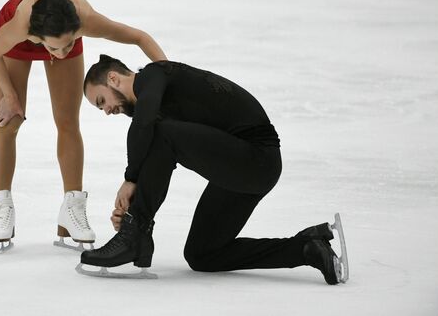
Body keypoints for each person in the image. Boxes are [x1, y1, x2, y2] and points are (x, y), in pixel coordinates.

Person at [77, 55, 348, 283]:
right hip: (239, 169)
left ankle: (134, 238)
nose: (107, 111)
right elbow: (151, 145)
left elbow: (146, 126)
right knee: (201, 254)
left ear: (113, 79)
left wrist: (131, 179)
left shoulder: (154, 74)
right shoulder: (154, 109)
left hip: (256, 157)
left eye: (101, 101)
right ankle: (306, 248)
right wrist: (133, 206)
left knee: (159, 133)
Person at [0, 0, 167, 252]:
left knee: (68, 121)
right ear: (39, 38)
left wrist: (170, 76)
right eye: (55, 48)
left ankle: (72, 208)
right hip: (19, 34)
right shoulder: (20, 25)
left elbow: (139, 37)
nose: (61, 53)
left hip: (61, 25)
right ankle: (2, 206)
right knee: (9, 119)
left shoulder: (85, 19)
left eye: (69, 44)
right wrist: (9, 96)